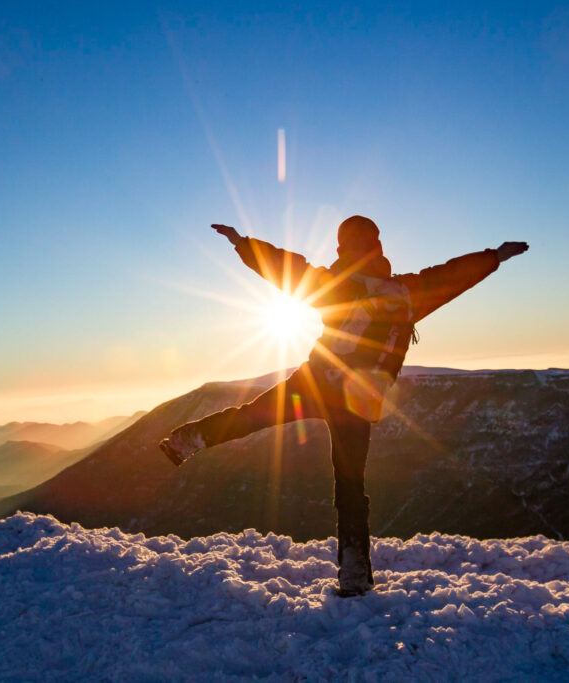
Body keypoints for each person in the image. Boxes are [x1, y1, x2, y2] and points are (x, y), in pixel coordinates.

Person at [159, 216, 528, 596]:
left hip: (314, 384)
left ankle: (188, 440)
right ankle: (353, 570)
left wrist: (242, 244)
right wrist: (495, 256)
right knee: (351, 485)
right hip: (359, 400)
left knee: (250, 416)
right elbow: (453, 276)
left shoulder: (335, 284)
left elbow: (286, 269)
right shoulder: (407, 292)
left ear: (342, 248)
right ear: (378, 245)